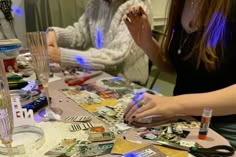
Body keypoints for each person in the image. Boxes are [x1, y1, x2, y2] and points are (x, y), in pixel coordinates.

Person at [124, 1, 236, 147]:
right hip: (184, 121)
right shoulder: (181, 3)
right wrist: (145, 41)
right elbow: (175, 67)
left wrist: (174, 103)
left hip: (225, 129)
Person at [46, 0, 152, 84]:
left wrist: (61, 55)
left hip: (128, 83)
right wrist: (56, 34)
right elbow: (81, 34)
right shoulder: (96, 3)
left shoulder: (138, 7)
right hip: (99, 74)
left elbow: (116, 56)